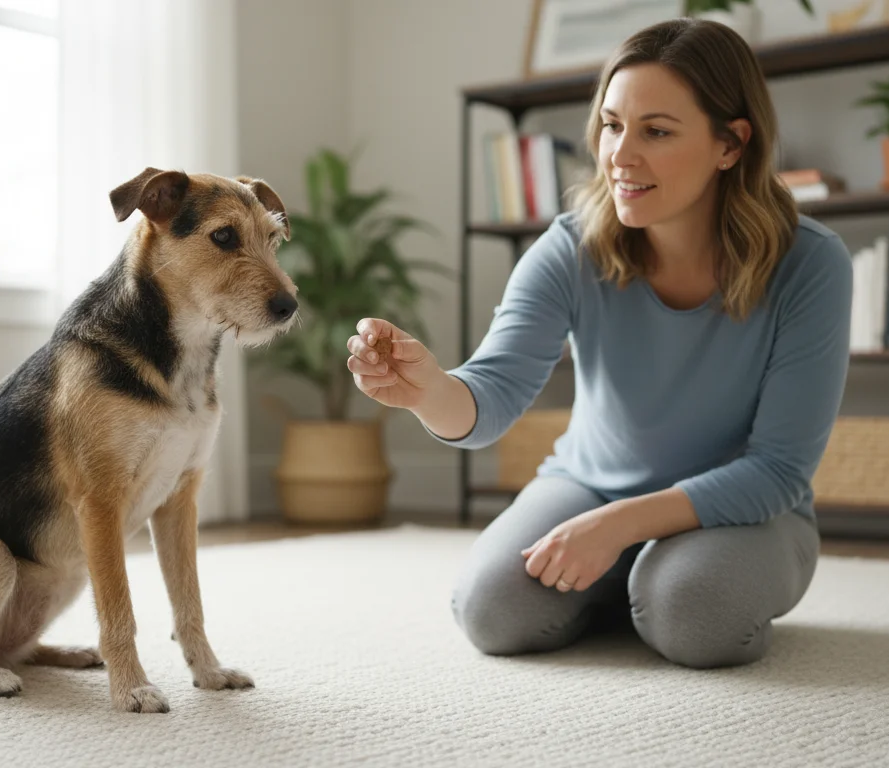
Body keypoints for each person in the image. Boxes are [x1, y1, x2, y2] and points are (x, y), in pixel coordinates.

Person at [345, 17, 852, 669]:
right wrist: (429, 389)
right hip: (589, 487)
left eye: (656, 131)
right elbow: (491, 396)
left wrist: (618, 528)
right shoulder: (569, 248)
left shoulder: (811, 264)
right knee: (493, 611)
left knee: (696, 616)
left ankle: (653, 583)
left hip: (744, 512)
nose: (620, 155)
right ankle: (637, 583)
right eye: (613, 125)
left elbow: (779, 470)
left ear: (730, 143)